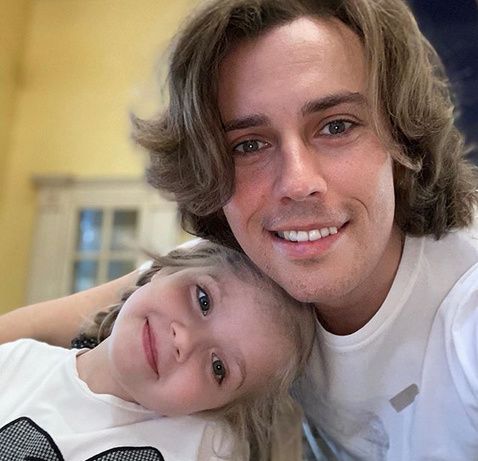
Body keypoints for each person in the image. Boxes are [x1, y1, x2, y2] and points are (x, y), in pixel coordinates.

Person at [1, 0, 478, 458]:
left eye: (336, 126)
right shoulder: (227, 273)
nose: (297, 183)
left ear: (402, 138)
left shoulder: (465, 312)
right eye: (248, 144)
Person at [0, 241, 316, 461]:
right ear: (162, 270)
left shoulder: (204, 447)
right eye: (203, 300)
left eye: (218, 367)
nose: (184, 341)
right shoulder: (17, 361)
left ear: (218, 408)